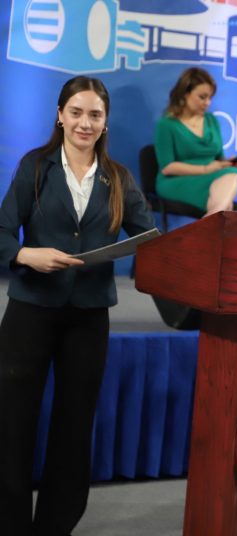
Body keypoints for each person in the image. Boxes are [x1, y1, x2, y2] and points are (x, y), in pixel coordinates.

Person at [0, 76, 156, 535]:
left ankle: (55, 525)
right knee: (11, 425)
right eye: (76, 112)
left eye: (95, 115)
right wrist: (26, 254)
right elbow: (3, 232)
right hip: (30, 310)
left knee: (74, 427)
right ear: (60, 116)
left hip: (88, 317)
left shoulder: (119, 178)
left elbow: (151, 239)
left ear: (105, 123)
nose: (85, 123)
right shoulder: (34, 166)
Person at [154, 67, 237, 215]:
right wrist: (205, 169)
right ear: (185, 93)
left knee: (231, 176)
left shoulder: (211, 121)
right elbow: (167, 167)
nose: (207, 103)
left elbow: (219, 159)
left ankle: (211, 218)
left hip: (211, 177)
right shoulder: (166, 124)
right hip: (176, 181)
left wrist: (228, 163)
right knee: (228, 198)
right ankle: (213, 218)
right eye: (202, 97)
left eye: (210, 98)